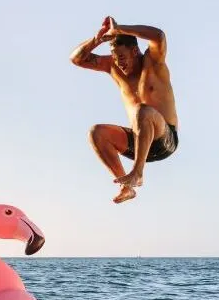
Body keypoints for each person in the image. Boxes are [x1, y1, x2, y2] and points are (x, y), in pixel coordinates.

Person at [70, 16, 179, 204]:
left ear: (135, 51)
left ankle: (137, 173)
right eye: (114, 57)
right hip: (139, 139)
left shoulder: (153, 62)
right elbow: (76, 59)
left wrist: (121, 28)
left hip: (164, 139)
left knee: (141, 111)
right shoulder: (112, 67)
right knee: (97, 132)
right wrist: (97, 39)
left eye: (122, 57)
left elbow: (159, 36)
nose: (119, 62)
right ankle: (126, 187)